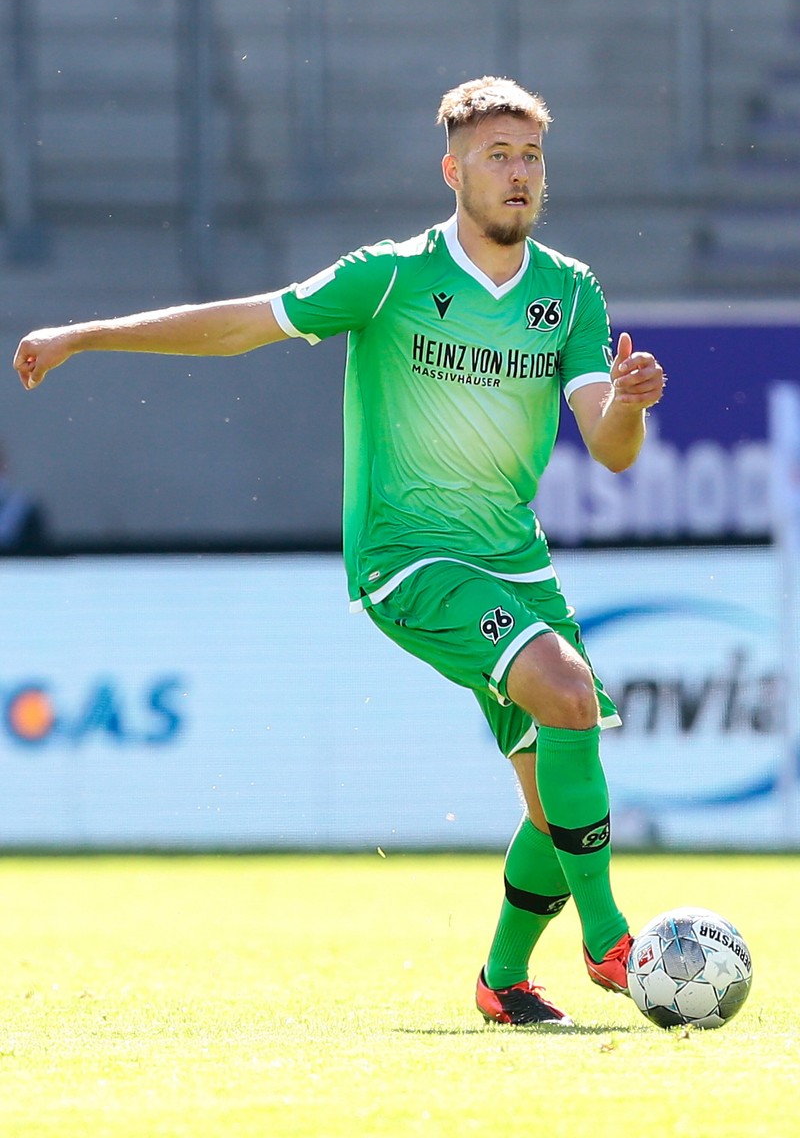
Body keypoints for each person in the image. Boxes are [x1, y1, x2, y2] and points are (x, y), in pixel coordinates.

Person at [13, 76, 664, 1026]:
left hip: (515, 563)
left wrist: (632, 408)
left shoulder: (567, 293)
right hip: (405, 558)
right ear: (454, 171)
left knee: (553, 800)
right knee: (565, 694)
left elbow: (608, 448)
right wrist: (87, 334)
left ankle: (504, 982)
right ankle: (613, 943)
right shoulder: (393, 276)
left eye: (531, 156)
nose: (520, 174)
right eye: (499, 156)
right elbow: (247, 323)